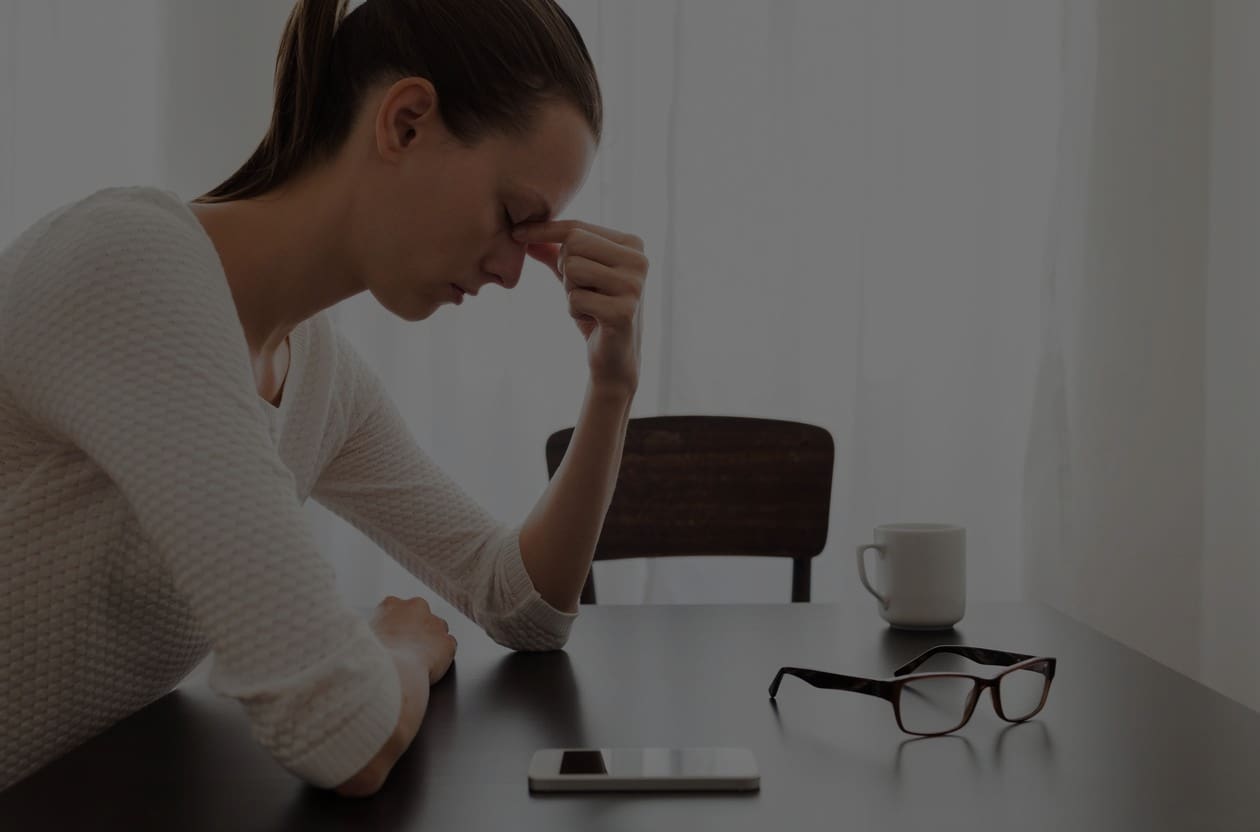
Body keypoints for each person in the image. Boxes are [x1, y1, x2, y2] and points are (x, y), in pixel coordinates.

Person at [0, 0, 647, 796]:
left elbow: (523, 608)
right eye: (514, 218)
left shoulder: (320, 378)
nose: (513, 274)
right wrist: (395, 649)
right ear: (405, 122)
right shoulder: (132, 269)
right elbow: (337, 729)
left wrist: (611, 385)